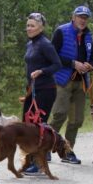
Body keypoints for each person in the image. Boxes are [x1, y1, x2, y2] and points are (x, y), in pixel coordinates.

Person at [49, 5, 93, 165]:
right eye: (80, 16)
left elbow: (92, 59)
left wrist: (89, 65)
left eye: (85, 17)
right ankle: (46, 147)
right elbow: (52, 55)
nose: (83, 20)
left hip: (81, 82)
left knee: (77, 119)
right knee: (59, 114)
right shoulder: (61, 31)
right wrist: (73, 63)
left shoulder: (88, 36)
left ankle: (67, 151)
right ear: (73, 17)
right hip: (63, 80)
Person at [21, 12, 62, 175]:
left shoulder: (45, 44)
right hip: (33, 90)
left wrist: (41, 71)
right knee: (28, 125)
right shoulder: (30, 44)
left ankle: (38, 163)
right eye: (28, 25)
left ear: (41, 27)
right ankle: (34, 159)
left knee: (37, 127)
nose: (29, 28)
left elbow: (57, 64)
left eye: (32, 26)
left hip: (46, 90)